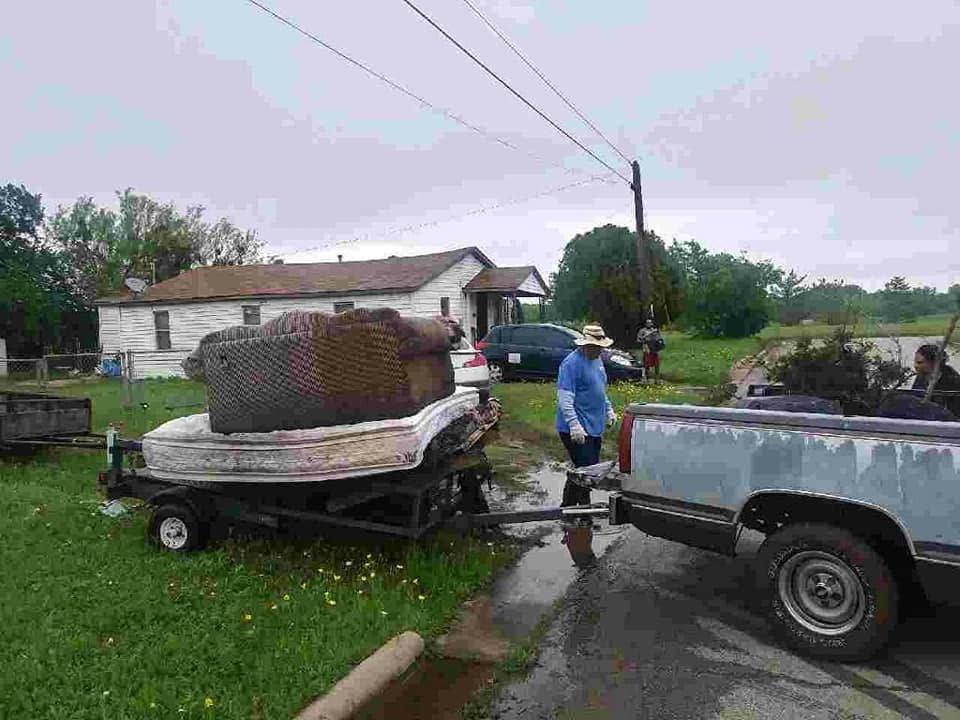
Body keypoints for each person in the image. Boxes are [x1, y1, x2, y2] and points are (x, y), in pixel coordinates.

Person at [556, 323, 618, 507]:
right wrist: (574, 425)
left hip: (594, 425)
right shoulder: (571, 364)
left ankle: (567, 508)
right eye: (596, 347)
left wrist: (608, 409)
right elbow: (565, 397)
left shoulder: (597, 360)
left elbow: (599, 389)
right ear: (585, 345)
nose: (600, 351)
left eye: (601, 347)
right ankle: (583, 513)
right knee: (586, 472)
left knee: (584, 470)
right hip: (576, 428)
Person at [912, 344, 960, 416]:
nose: (915, 366)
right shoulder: (921, 377)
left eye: (920, 363)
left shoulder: (953, 380)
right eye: (915, 362)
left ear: (934, 362)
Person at [636, 318, 663, 384]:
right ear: (645, 324)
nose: (649, 324)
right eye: (647, 323)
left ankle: (657, 379)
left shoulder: (654, 330)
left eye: (650, 323)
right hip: (647, 348)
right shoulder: (642, 331)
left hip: (654, 349)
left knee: (657, 364)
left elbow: (659, 338)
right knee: (646, 364)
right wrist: (645, 337)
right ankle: (646, 379)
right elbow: (638, 339)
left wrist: (659, 341)